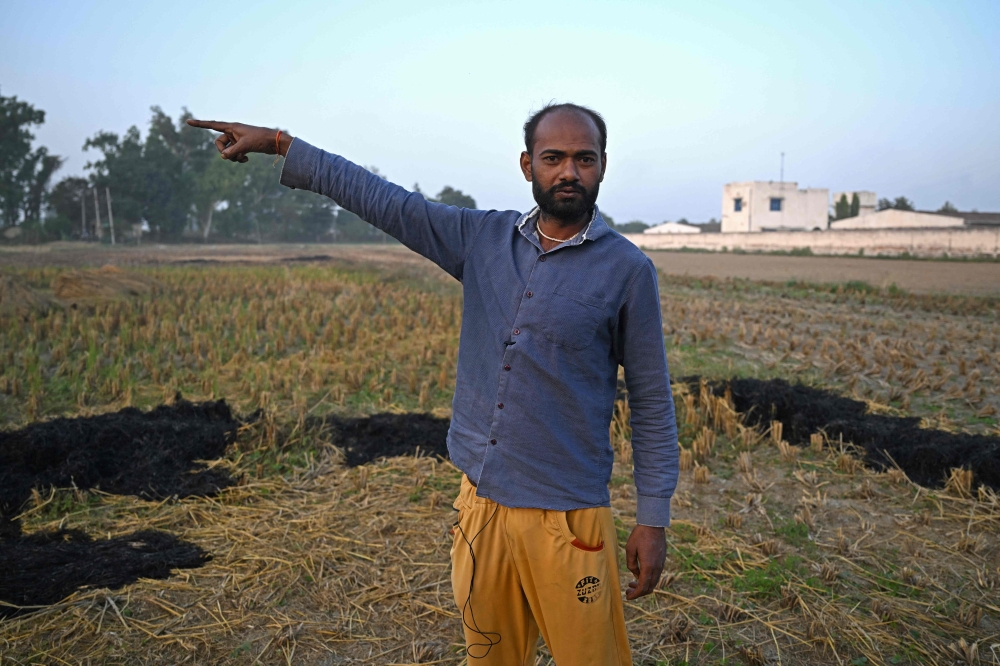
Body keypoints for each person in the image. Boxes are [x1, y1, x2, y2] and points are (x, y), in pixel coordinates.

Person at [188, 103, 679, 665]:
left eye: (583, 159)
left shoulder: (627, 271)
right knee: (489, 656)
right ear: (527, 166)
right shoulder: (482, 239)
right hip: (480, 504)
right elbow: (385, 200)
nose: (569, 171)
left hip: (568, 518)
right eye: (553, 158)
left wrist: (652, 517)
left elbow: (651, 402)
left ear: (602, 166)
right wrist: (281, 143)